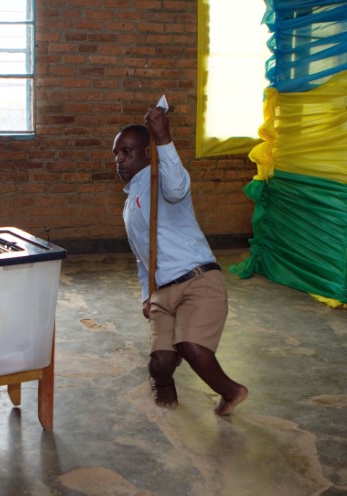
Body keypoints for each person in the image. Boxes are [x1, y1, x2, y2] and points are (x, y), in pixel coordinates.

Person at [113, 104, 248, 415]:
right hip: (162, 291)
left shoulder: (161, 178)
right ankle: (164, 384)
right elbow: (142, 257)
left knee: (191, 345)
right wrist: (147, 296)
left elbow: (177, 188)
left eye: (127, 151)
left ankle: (232, 391)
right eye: (116, 153)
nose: (119, 159)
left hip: (198, 280)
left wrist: (164, 138)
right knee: (160, 363)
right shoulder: (130, 204)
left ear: (147, 153)